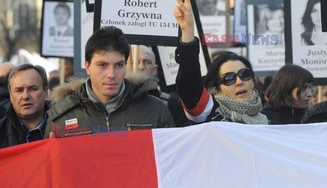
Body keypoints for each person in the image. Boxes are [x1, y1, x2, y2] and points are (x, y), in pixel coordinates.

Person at [45, 26, 174, 138]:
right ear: (87, 65)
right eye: (102, 65)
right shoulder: (61, 116)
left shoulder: (156, 111)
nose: (111, 75)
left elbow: (170, 162)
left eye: (119, 65)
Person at [173, 0, 268, 124]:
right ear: (216, 89)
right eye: (229, 78)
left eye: (245, 74)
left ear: (252, 81)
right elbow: (189, 86)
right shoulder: (210, 112)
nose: (239, 82)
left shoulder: (266, 121)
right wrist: (187, 31)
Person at [131, 45, 190, 127]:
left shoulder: (170, 104)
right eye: (135, 62)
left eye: (146, 62)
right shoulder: (115, 102)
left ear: (155, 69)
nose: (141, 67)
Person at [0, 64, 49, 148]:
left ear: (46, 92)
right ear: (11, 96)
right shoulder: (1, 131)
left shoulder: (64, 129)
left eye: (33, 89)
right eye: (19, 90)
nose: (25, 96)